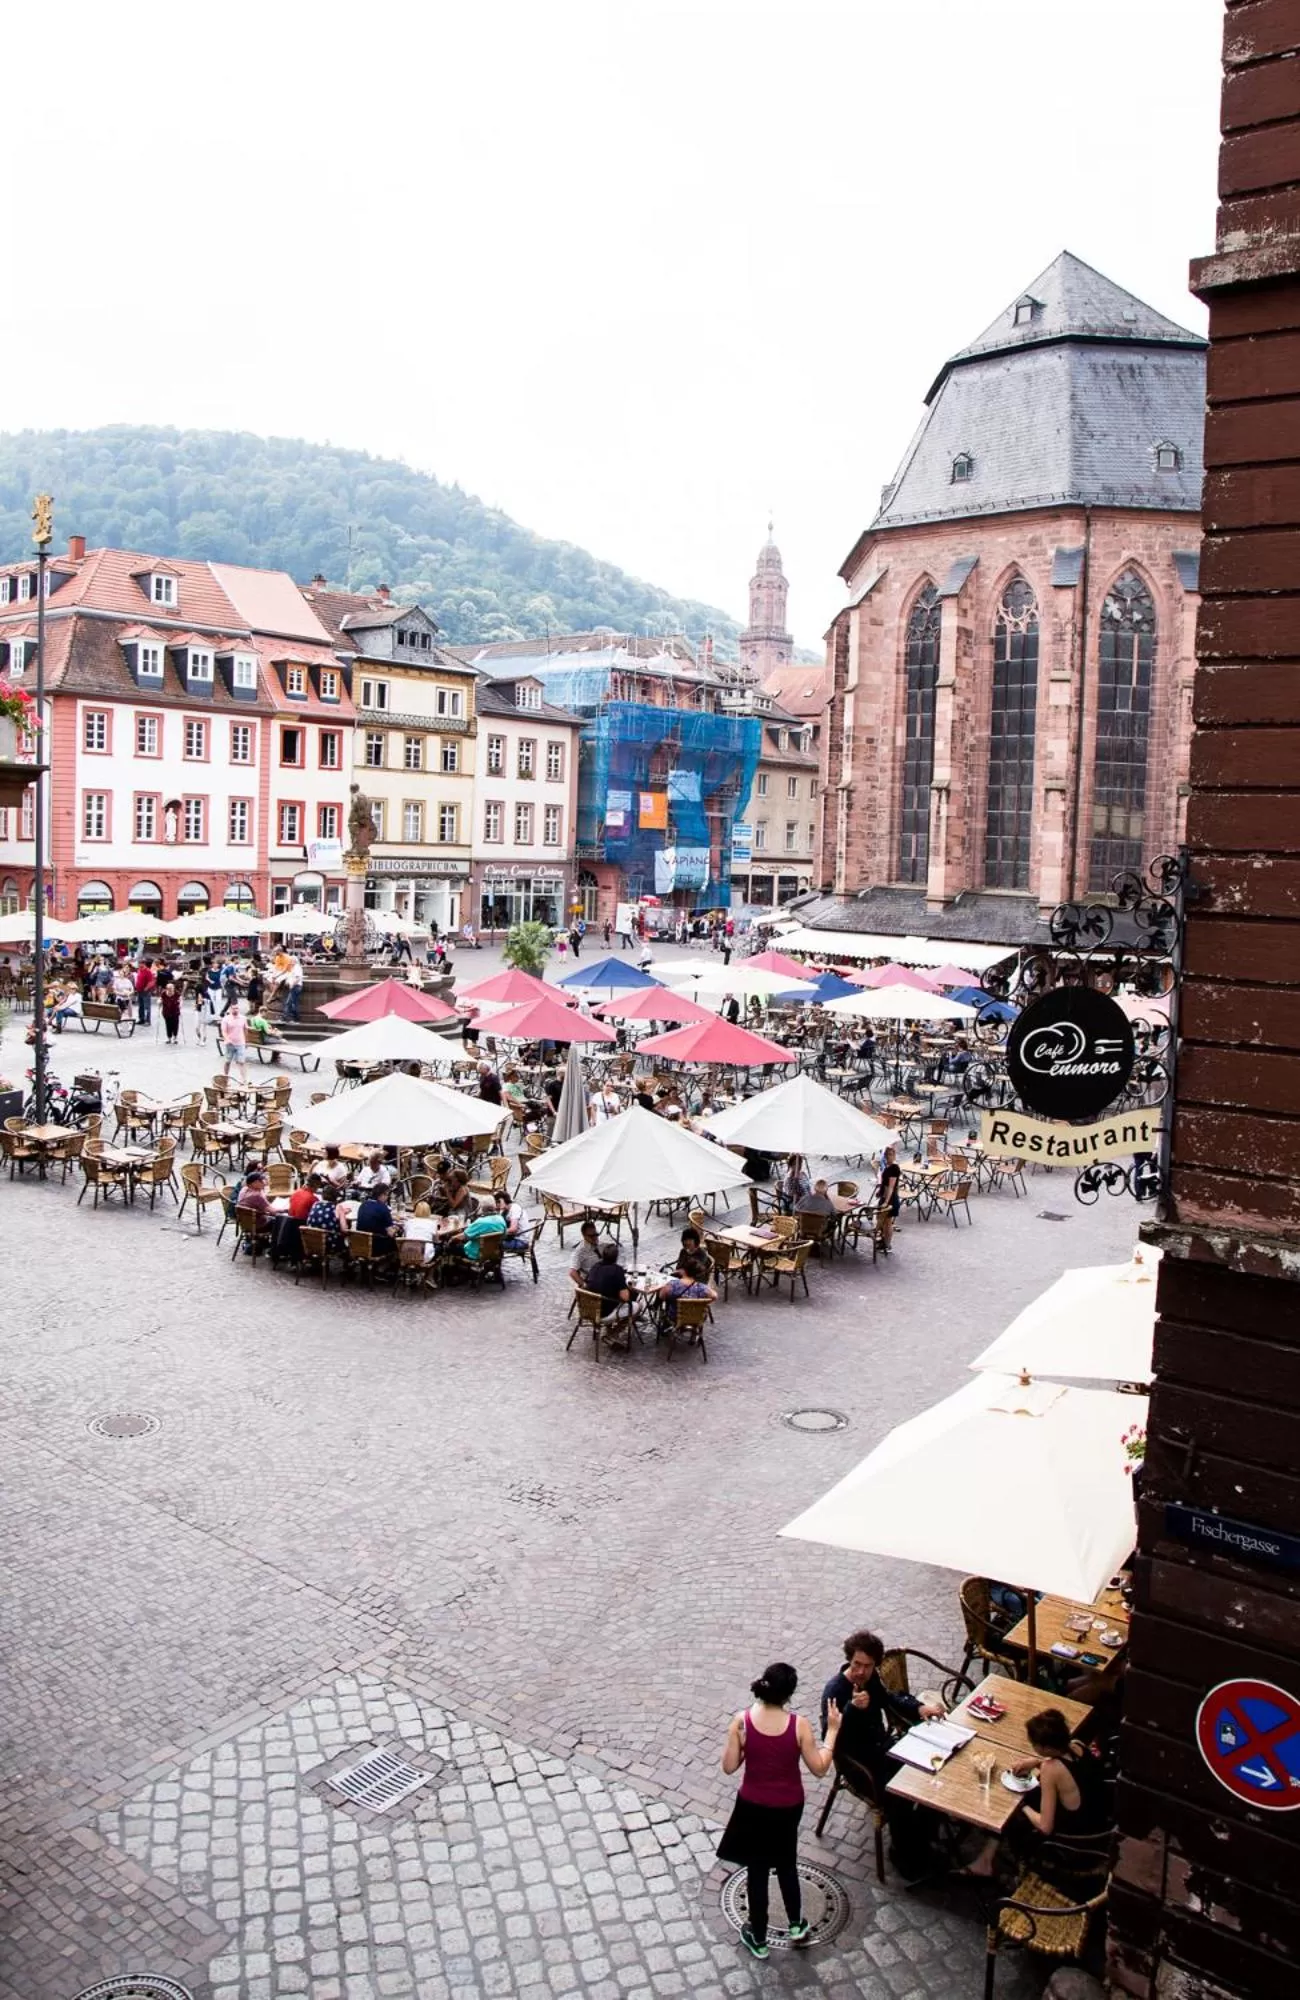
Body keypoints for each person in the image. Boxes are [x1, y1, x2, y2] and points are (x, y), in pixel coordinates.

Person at [718, 1663, 840, 1960]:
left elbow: (729, 1766)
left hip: (752, 1806)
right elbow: (821, 1768)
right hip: (788, 1806)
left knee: (756, 1870)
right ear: (789, 1695)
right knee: (786, 1862)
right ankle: (797, 1924)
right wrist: (833, 1732)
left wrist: (747, 1747)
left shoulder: (742, 1721)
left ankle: (758, 1938)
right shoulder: (799, 1725)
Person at [961, 1708, 1110, 1880]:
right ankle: (986, 1859)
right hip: (1096, 1821)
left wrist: (1019, 1805)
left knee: (1012, 1811)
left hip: (1072, 1842)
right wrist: (1037, 1762)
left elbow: (1045, 1827)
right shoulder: (1077, 1745)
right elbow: (1069, 1770)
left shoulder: (1051, 1769)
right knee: (1032, 1795)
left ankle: (1001, 1866)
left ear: (1045, 1747)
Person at [655, 1253, 716, 1326]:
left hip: (675, 1317)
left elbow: (661, 1296)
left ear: (683, 1271)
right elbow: (714, 1296)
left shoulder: (673, 1284)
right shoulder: (701, 1287)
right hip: (695, 1317)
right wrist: (703, 1303)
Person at [355, 1187, 398, 1261]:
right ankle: (389, 1268)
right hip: (377, 1245)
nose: (387, 1198)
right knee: (398, 1242)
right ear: (381, 1195)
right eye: (387, 1195)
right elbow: (391, 1233)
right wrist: (397, 1228)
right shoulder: (383, 1208)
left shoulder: (363, 1205)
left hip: (361, 1243)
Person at [873, 1145, 902, 1253]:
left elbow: (891, 1187)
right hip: (884, 1197)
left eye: (890, 1154)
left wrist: (886, 1201)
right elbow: (884, 1183)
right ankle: (883, 1240)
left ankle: (887, 1244)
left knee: (888, 1222)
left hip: (890, 1199)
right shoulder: (887, 1166)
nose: (888, 1157)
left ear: (894, 1155)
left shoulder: (894, 1168)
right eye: (886, 1154)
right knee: (881, 1220)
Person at [401, 1200, 440, 1264]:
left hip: (407, 1254)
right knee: (439, 1247)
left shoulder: (408, 1222)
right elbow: (436, 1241)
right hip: (424, 1256)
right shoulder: (433, 1223)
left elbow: (405, 1236)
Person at [219, 997, 248, 1081]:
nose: (235, 1010)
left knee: (241, 1062)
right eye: (234, 1008)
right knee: (228, 1061)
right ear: (230, 1009)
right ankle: (225, 1077)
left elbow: (246, 1029)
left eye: (237, 1008)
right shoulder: (226, 1019)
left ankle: (244, 1079)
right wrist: (227, 1039)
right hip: (230, 1043)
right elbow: (223, 1031)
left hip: (240, 1043)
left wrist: (246, 1040)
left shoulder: (243, 1018)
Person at [567, 1219, 602, 1287]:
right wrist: (585, 1285)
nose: (595, 1237)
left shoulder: (599, 1245)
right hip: (592, 1279)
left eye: (596, 1234)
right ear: (584, 1236)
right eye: (591, 1236)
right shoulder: (580, 1251)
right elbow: (572, 1272)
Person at [281, 954, 304, 1024]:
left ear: (294, 961)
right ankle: (294, 1018)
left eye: (291, 961)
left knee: (290, 1003)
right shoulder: (294, 968)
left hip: (295, 987)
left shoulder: (297, 967)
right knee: (293, 1003)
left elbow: (297, 978)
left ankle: (287, 1018)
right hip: (295, 987)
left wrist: (292, 985)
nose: (290, 962)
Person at [134, 957, 157, 1026]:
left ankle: (147, 1021)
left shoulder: (148, 971)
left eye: (142, 963)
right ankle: (141, 1019)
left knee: (146, 1006)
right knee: (141, 1006)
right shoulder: (139, 970)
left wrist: (146, 988)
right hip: (139, 990)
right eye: (139, 963)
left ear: (144, 964)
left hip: (145, 991)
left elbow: (151, 981)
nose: (140, 965)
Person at [160, 980, 183, 1045]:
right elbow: (160, 999)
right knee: (168, 1025)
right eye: (169, 989)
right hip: (166, 1012)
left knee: (175, 1025)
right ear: (166, 989)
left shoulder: (176, 993)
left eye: (171, 989)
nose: (170, 990)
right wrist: (159, 1001)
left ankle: (175, 1037)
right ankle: (169, 1038)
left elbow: (181, 999)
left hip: (175, 1012)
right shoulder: (164, 993)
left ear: (173, 988)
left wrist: (181, 1004)